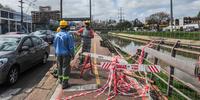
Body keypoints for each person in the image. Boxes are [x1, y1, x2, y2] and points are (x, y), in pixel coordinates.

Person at [53, 20, 75, 89]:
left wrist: (56, 53)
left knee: (59, 67)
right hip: (66, 54)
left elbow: (54, 45)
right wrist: (73, 54)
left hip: (58, 53)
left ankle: (60, 80)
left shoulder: (56, 35)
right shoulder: (68, 35)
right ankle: (65, 84)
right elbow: (71, 47)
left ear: (60, 26)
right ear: (66, 27)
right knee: (65, 68)